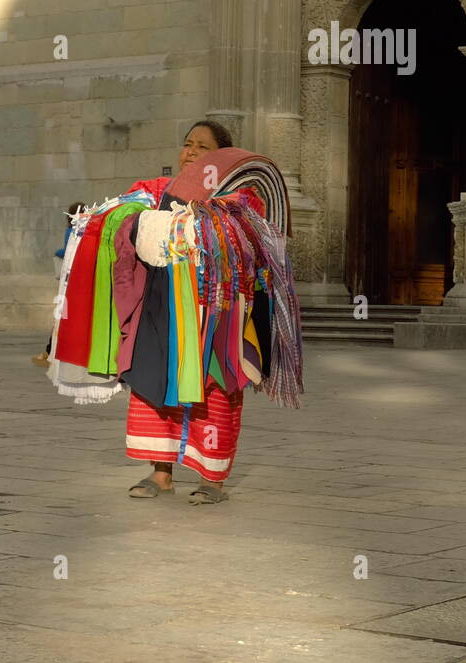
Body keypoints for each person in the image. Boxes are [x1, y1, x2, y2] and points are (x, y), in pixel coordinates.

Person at [49, 119, 303, 507]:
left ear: (220, 156)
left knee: (214, 387)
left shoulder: (241, 196)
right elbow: (121, 213)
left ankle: (212, 479)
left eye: (202, 147)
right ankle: (161, 472)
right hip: (162, 306)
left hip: (215, 311)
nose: (190, 153)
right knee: (154, 378)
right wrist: (139, 219)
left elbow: (246, 236)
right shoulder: (155, 190)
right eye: (187, 144)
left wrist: (195, 223)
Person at [32, 202, 82, 367]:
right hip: (80, 283)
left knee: (61, 316)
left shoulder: (71, 231)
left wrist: (57, 253)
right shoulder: (86, 231)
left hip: (68, 283)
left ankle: (51, 350)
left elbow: (67, 251)